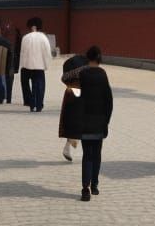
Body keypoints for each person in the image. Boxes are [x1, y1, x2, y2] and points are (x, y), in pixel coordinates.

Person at [68, 46, 113, 201]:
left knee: (87, 155)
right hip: (99, 121)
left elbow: (74, 94)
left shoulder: (81, 74)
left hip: (84, 121)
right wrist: (106, 120)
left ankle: (85, 188)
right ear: (99, 58)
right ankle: (95, 184)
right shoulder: (103, 75)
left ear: (87, 58)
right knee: (97, 154)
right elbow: (109, 100)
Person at [58, 50, 88, 162]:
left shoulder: (68, 70)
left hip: (70, 93)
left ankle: (69, 146)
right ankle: (75, 147)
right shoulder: (86, 69)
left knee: (71, 122)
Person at [18, 17, 53, 112]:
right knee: (39, 85)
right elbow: (47, 52)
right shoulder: (43, 38)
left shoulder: (25, 37)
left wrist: (22, 65)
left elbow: (22, 53)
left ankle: (30, 103)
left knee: (26, 84)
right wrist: (46, 65)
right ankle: (39, 104)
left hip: (27, 65)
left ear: (31, 27)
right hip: (39, 65)